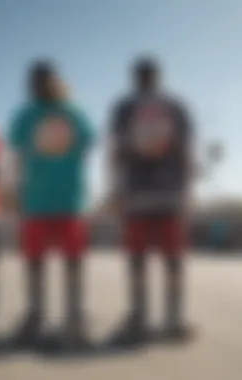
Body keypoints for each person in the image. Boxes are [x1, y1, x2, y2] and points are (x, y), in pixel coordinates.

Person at [5, 60, 95, 348]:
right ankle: (36, 314)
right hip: (35, 200)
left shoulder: (74, 112)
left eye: (45, 81)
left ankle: (74, 316)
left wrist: (74, 178)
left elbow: (88, 145)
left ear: (56, 81)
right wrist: (10, 189)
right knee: (34, 261)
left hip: (69, 201)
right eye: (34, 83)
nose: (39, 87)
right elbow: (14, 154)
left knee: (73, 261)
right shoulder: (25, 115)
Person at [107, 57, 194, 343]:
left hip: (157, 193)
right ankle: (149, 317)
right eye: (142, 75)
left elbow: (185, 150)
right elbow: (117, 151)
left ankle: (166, 317)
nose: (144, 79)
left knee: (161, 259)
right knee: (147, 259)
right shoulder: (127, 108)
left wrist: (187, 190)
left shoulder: (170, 107)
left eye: (146, 74)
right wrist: (116, 189)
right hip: (143, 193)